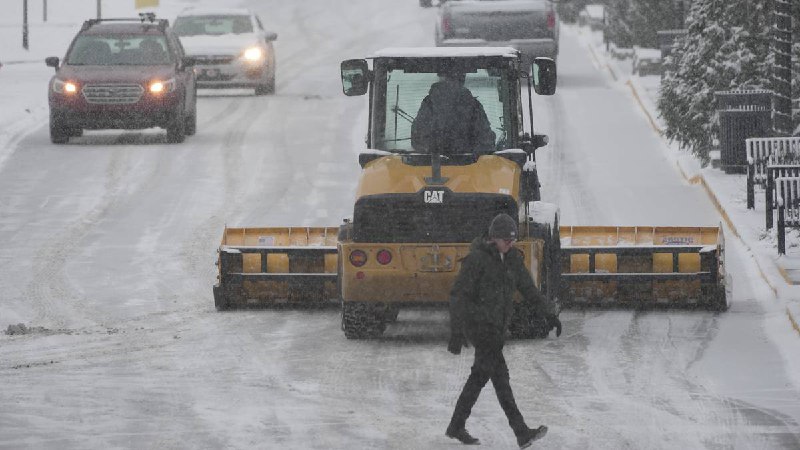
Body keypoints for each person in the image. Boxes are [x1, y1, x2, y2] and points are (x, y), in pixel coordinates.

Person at [445, 213, 562, 448]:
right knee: (498, 380)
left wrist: (550, 313)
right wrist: (457, 331)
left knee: (484, 378)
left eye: (512, 240)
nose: (510, 244)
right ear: (493, 238)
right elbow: (459, 295)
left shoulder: (512, 261)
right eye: (506, 240)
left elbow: (529, 289)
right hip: (480, 327)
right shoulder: (477, 260)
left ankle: (457, 426)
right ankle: (520, 432)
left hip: (497, 328)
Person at [411, 70, 496, 155]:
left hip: (431, 164)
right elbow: (485, 141)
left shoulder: (429, 103)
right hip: (469, 165)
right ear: (462, 79)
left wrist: (434, 150)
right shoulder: (473, 106)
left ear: (442, 78)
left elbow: (418, 138)